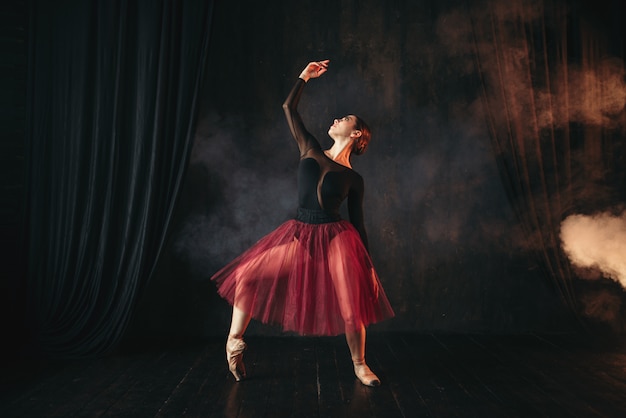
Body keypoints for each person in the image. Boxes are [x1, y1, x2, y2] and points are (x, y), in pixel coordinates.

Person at [210, 60, 394, 387]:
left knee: (351, 303)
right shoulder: (309, 146)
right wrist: (304, 77)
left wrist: (369, 269)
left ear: (355, 133)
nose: (336, 119)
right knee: (247, 277)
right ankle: (234, 342)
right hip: (300, 234)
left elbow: (360, 224)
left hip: (336, 238)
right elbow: (288, 107)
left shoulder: (354, 178)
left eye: (344, 119)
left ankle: (360, 365)